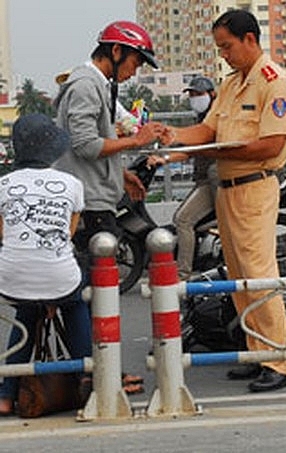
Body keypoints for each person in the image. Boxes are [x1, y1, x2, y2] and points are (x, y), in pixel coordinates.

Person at [160, 10, 286, 392]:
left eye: (227, 46)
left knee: (260, 276)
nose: (223, 54)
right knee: (239, 278)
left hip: (255, 187)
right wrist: (172, 135)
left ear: (250, 39)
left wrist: (216, 149)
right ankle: (257, 354)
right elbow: (208, 130)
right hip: (226, 188)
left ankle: (279, 361)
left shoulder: (274, 81)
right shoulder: (232, 83)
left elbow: (272, 144)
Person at [53, 20, 164, 394]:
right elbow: (85, 145)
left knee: (91, 296)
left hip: (95, 199)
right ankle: (98, 375)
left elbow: (90, 147)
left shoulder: (94, 84)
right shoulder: (86, 85)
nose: (136, 71)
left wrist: (121, 174)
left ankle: (100, 371)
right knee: (90, 297)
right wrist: (137, 141)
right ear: (116, 52)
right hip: (88, 208)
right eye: (135, 61)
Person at [0, 113, 93, 415]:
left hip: (12, 278)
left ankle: (6, 393)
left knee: (26, 311)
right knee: (76, 303)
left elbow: (3, 234)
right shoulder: (72, 184)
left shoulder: (3, 184)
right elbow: (68, 234)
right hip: (60, 277)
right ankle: (87, 374)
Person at [159, 76, 219, 279]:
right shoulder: (202, 119)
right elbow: (189, 146)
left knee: (183, 220)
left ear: (212, 94)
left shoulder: (214, 118)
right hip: (203, 179)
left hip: (213, 181)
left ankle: (182, 274)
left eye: (199, 94)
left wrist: (166, 158)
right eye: (192, 95)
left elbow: (192, 150)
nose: (195, 98)